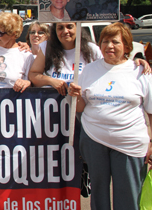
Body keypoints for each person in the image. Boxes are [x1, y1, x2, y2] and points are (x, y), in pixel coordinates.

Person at [68, 22, 152, 210]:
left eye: (115, 42)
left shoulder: (140, 71)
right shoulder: (89, 70)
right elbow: (80, 108)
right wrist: (74, 96)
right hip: (94, 140)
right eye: (105, 41)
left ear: (127, 47)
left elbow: (151, 111)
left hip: (129, 143)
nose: (109, 46)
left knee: (128, 195)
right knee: (98, 195)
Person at [28, 23, 103, 95]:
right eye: (60, 28)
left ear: (77, 27)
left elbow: (105, 75)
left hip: (83, 105)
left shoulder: (92, 49)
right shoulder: (46, 47)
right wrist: (52, 81)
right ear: (55, 30)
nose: (65, 31)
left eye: (69, 27)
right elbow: (33, 75)